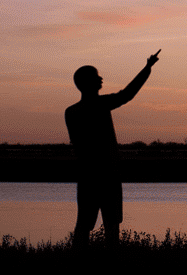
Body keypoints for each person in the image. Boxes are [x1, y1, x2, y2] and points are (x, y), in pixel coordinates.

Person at [65, 50, 160, 248]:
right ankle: (111, 260)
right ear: (86, 82)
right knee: (111, 222)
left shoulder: (71, 112)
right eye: (96, 76)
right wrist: (147, 68)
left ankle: (77, 259)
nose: (101, 79)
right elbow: (127, 94)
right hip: (107, 173)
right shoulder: (100, 105)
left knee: (84, 222)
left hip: (87, 175)